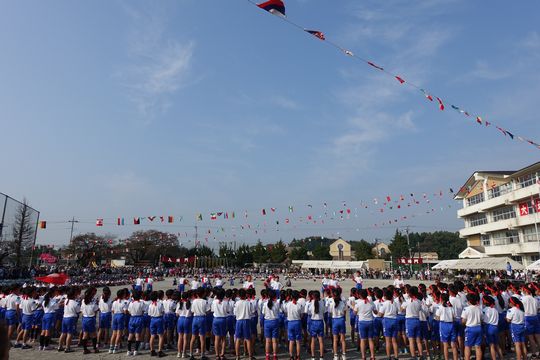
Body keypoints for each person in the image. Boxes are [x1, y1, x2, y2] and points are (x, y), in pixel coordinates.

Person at [354, 289, 376, 360]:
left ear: (359, 295)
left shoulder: (358, 303)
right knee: (370, 340)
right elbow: (375, 312)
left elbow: (354, 313)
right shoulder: (371, 303)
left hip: (362, 322)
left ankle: (363, 356)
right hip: (370, 321)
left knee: (363, 340)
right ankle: (372, 356)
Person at [436, 293, 458, 360]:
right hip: (451, 324)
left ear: (441, 299)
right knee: (453, 344)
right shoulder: (451, 307)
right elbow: (454, 318)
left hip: (444, 325)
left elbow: (437, 318)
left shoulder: (440, 307)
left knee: (445, 345)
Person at [58, 288, 80, 353]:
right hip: (71, 318)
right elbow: (78, 311)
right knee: (70, 334)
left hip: (64, 318)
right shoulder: (75, 303)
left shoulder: (66, 300)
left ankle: (60, 346)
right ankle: (67, 347)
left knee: (63, 333)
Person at [461, 293, 482, 360]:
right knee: (478, 347)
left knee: (467, 347)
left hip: (470, 329)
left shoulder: (466, 309)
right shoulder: (479, 308)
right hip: (478, 327)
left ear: (469, 301)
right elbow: (482, 319)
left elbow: (463, 321)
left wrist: (463, 322)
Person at [234, 288, 254, 360]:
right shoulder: (248, 302)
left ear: (239, 295)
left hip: (239, 321)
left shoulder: (237, 303)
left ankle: (237, 356)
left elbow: (235, 313)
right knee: (248, 339)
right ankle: (250, 356)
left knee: (238, 339)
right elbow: (252, 312)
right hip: (246, 320)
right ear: (245, 295)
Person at [482, 295, 503, 360]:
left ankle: (493, 358)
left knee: (491, 345)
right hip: (495, 327)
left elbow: (483, 320)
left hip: (488, 328)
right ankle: (501, 358)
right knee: (497, 344)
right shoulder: (495, 310)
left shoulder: (485, 310)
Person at [190, 288, 209, 359]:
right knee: (202, 338)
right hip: (202, 318)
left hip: (195, 318)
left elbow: (192, 311)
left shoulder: (194, 301)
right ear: (203, 293)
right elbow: (208, 311)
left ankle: (191, 354)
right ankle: (202, 355)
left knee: (193, 337)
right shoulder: (205, 301)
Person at [328, 288, 347, 360]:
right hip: (341, 319)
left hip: (335, 320)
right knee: (343, 339)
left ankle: (335, 355)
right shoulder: (342, 303)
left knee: (335, 340)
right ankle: (344, 355)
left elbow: (330, 312)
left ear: (333, 295)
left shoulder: (332, 303)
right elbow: (345, 312)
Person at [306, 290, 324, 360]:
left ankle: (313, 356)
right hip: (320, 321)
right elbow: (324, 311)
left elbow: (308, 313)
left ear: (312, 296)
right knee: (321, 341)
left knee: (313, 340)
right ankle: (321, 356)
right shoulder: (322, 302)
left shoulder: (310, 303)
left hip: (313, 322)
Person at [80, 287, 99, 354]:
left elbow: (81, 310)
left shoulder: (83, 300)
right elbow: (96, 310)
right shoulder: (93, 301)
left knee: (85, 334)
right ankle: (94, 348)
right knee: (93, 334)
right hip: (91, 318)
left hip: (84, 318)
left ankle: (85, 349)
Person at [286, 290, 303, 360]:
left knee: (291, 340)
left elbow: (286, 312)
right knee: (298, 341)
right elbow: (301, 315)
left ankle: (291, 356)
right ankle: (298, 356)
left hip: (290, 322)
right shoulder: (299, 305)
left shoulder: (288, 304)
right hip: (297, 322)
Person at [127, 290, 145, 356]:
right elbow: (143, 311)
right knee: (137, 335)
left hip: (132, 318)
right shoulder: (141, 303)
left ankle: (128, 350)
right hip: (139, 318)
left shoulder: (131, 303)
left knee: (130, 334)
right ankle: (136, 350)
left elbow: (128, 311)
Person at [211, 288, 228, 360]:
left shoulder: (214, 302)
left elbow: (212, 310)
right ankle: (222, 354)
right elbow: (228, 311)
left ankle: (217, 354)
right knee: (223, 338)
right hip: (223, 319)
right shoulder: (226, 302)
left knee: (217, 338)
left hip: (216, 319)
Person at [148, 291, 166, 357]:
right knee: (160, 336)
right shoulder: (160, 303)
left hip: (152, 319)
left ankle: (152, 350)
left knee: (152, 335)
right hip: (159, 319)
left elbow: (149, 314)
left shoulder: (150, 304)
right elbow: (163, 311)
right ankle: (159, 351)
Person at [109, 289, 128, 354]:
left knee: (114, 333)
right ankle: (116, 348)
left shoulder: (114, 302)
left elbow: (113, 311)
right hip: (120, 316)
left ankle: (111, 348)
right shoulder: (124, 302)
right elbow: (125, 311)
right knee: (119, 333)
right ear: (123, 295)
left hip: (115, 316)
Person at [176, 291, 193, 359]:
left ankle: (179, 353)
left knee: (180, 337)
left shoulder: (179, 303)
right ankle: (184, 353)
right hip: (187, 319)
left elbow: (177, 314)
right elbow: (192, 312)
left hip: (180, 319)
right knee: (186, 338)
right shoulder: (190, 303)